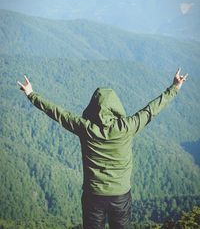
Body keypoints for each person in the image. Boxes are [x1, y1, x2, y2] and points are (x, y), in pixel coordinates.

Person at [17, 68, 188, 229]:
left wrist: (31, 94)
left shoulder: (85, 128)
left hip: (94, 195)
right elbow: (152, 110)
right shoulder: (127, 127)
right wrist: (175, 87)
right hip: (121, 195)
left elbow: (57, 113)